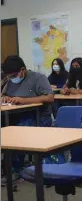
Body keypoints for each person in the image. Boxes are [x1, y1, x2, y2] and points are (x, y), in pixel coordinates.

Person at [1, 55, 54, 183]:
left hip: (40, 117)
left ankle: (15, 169)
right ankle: (8, 164)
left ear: (22, 70)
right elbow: (4, 94)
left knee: (19, 131)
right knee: (9, 129)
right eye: (9, 76)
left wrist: (24, 101)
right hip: (16, 116)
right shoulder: (9, 81)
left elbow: (49, 98)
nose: (11, 79)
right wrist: (5, 98)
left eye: (13, 76)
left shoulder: (38, 78)